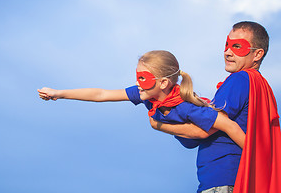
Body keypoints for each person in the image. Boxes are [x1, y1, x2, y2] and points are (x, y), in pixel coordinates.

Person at [149, 21, 281, 193]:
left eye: (237, 46)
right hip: (228, 182)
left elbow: (202, 132)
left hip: (222, 182)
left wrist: (159, 123)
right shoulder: (257, 84)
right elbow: (194, 137)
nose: (228, 52)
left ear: (257, 54)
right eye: (227, 45)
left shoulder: (240, 79)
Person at [38, 50, 245, 149]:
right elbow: (101, 94)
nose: (137, 83)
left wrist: (261, 163)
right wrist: (59, 93)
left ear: (163, 83)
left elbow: (227, 127)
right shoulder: (148, 93)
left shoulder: (186, 108)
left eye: (143, 78)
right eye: (137, 77)